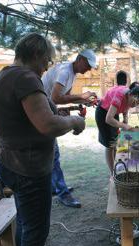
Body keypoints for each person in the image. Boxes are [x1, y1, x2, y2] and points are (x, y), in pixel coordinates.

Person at [0, 33, 85, 246]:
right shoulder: (25, 78)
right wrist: (75, 121)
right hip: (28, 167)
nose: (47, 67)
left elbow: (22, 119)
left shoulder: (0, 78)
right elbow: (47, 125)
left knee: (24, 221)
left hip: (9, 162)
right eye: (47, 61)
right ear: (37, 54)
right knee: (36, 230)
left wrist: (59, 114)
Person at [41, 49, 97, 208]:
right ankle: (63, 193)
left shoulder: (71, 73)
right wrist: (82, 96)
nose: (89, 69)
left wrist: (69, 107)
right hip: (41, 113)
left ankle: (55, 187)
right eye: (88, 64)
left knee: (51, 154)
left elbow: (59, 100)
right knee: (54, 154)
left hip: (46, 110)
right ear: (79, 59)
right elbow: (55, 97)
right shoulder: (66, 71)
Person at [95, 82, 139, 174]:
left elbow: (126, 107)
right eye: (135, 103)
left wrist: (125, 120)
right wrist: (124, 126)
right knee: (109, 144)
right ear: (130, 95)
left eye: (138, 104)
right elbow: (108, 119)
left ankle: (117, 166)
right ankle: (113, 173)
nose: (134, 105)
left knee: (115, 142)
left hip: (114, 113)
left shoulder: (130, 96)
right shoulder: (119, 95)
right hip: (103, 113)